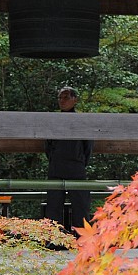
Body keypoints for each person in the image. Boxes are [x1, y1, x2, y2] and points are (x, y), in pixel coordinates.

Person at [45, 87, 92, 232]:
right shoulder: (52, 121)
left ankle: (82, 240)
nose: (62, 101)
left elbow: (88, 146)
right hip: (56, 167)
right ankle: (53, 240)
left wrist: (80, 161)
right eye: (60, 98)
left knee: (81, 206)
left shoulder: (82, 121)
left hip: (76, 167)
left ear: (74, 99)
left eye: (66, 97)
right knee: (53, 206)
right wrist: (54, 159)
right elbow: (48, 145)